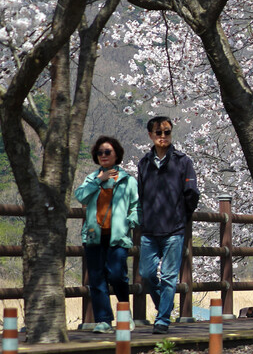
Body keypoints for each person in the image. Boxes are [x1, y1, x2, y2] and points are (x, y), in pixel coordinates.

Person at [137, 116, 199, 334]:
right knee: (146, 273)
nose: (163, 136)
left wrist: (182, 215)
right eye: (158, 132)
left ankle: (162, 319)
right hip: (149, 229)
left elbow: (192, 194)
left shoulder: (183, 162)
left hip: (174, 229)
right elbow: (141, 194)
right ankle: (165, 304)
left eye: (167, 132)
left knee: (170, 276)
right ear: (150, 135)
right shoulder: (144, 163)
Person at [75, 135, 139, 333]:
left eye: (107, 152)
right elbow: (80, 196)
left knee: (117, 274)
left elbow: (136, 206)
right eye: (100, 152)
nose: (103, 155)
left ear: (116, 154)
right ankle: (103, 319)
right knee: (96, 278)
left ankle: (124, 311)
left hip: (117, 236)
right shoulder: (92, 179)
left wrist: (131, 221)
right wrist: (98, 181)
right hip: (94, 235)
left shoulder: (127, 180)